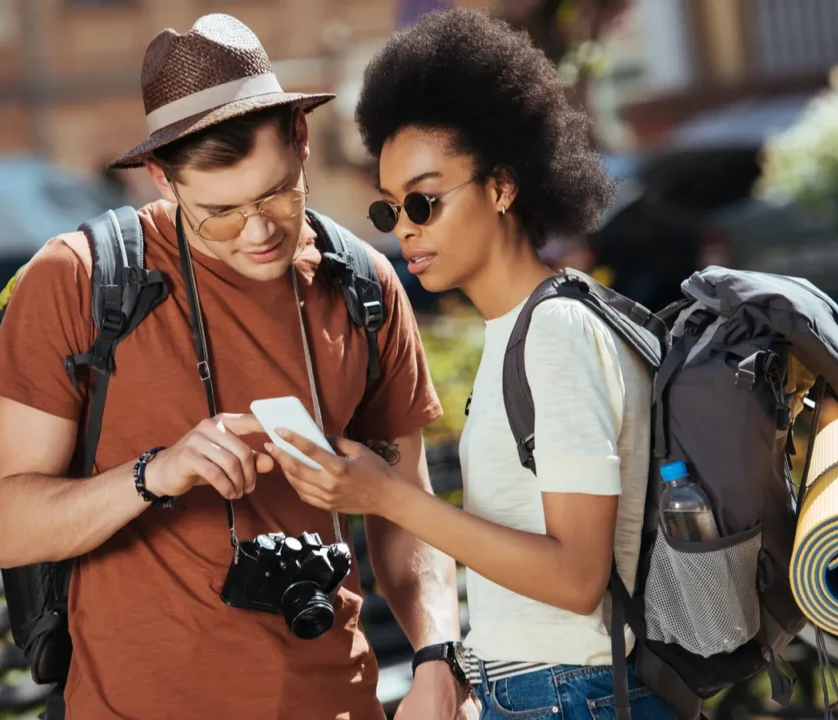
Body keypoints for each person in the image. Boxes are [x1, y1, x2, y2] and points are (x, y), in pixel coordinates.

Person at [0, 14, 471, 720]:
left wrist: (436, 658)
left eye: (276, 194)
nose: (260, 231)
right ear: (160, 180)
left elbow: (406, 512)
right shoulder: (79, 280)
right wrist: (156, 474)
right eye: (221, 212)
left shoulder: (362, 285)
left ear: (301, 140)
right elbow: (7, 524)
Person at [266, 9, 678, 720]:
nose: (408, 230)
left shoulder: (556, 333)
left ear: (501, 187)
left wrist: (388, 497)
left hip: (572, 695)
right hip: (545, 691)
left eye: (425, 199)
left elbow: (578, 577)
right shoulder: (524, 329)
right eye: (390, 210)